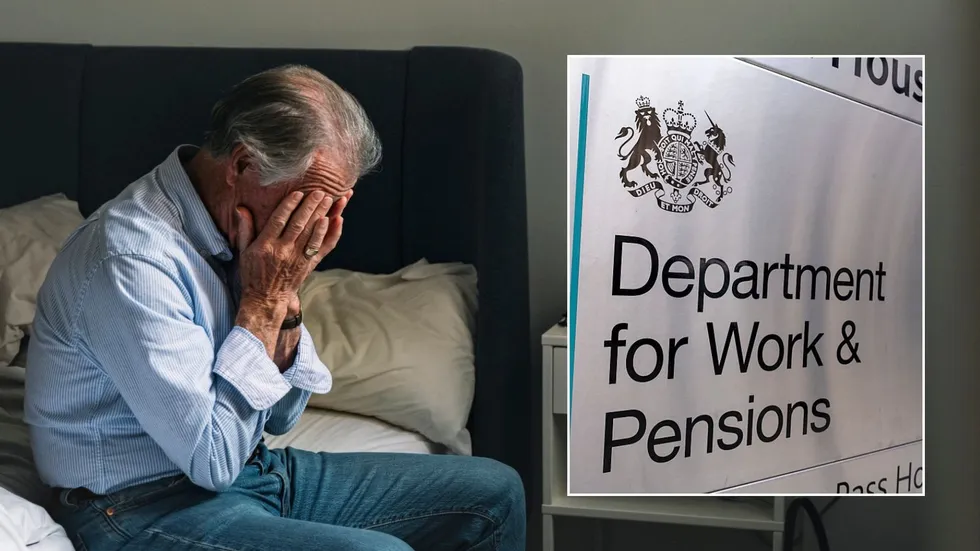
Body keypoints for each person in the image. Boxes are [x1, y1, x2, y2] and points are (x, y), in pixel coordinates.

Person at [25, 65, 525, 551]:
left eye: (336, 205)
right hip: (136, 510)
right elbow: (213, 459)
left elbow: (282, 414)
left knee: (494, 492)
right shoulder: (132, 258)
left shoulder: (245, 242)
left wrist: (283, 295)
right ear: (242, 165)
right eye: (308, 201)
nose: (319, 223)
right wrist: (263, 301)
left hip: (255, 472)